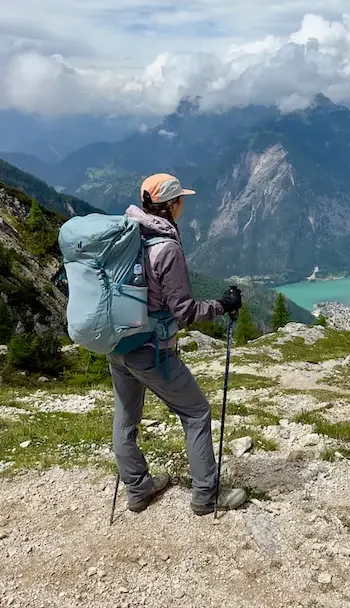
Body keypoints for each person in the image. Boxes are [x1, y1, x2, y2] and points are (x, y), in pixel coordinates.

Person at [107, 173, 247, 516]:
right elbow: (184, 312)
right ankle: (205, 496)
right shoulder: (165, 247)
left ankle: (138, 490)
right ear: (171, 206)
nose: (183, 204)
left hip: (117, 344)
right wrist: (222, 306)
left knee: (126, 420)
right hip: (150, 350)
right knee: (197, 412)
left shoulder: (126, 235)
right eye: (180, 199)